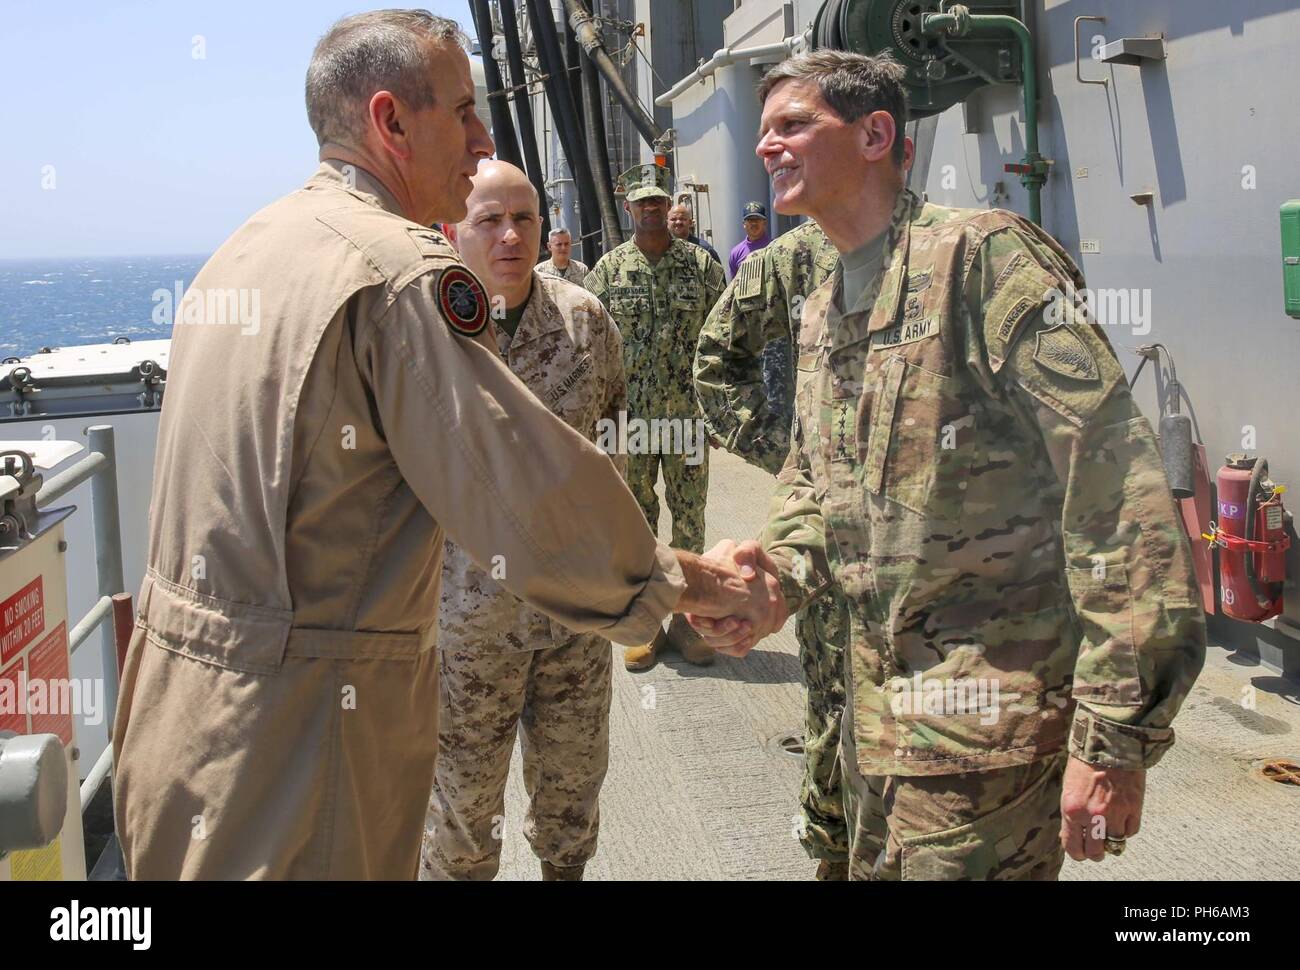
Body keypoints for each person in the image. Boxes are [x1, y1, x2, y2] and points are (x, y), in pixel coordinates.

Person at [111, 10, 783, 880]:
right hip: (299, 763)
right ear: (390, 122)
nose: (483, 137)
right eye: (462, 111)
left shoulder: (244, 251)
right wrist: (701, 585)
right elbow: (531, 505)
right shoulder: (398, 277)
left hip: (182, 729)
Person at [689, 49, 1206, 880]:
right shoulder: (824, 306)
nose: (766, 147)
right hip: (873, 738)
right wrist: (773, 574)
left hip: (985, 746)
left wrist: (1117, 736)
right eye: (762, 131)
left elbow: (1115, 490)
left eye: (792, 125)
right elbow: (823, 486)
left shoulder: (983, 262)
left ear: (875, 135)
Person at [421, 160, 627, 882]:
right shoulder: (423, 332)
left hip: (573, 624)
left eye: (526, 218)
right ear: (454, 229)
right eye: (490, 220)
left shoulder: (583, 321)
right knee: (462, 819)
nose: (511, 235)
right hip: (466, 632)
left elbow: (613, 446)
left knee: (572, 804)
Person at [693, 219, 848, 877]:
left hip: (938, 560)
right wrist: (789, 454)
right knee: (835, 701)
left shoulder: (958, 251)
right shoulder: (791, 258)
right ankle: (835, 851)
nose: (776, 145)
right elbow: (715, 361)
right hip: (823, 532)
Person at [586, 164, 727, 670]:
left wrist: (718, 414)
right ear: (628, 208)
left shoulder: (702, 267)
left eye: (657, 201)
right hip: (632, 422)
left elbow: (724, 342)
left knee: (689, 519)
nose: (650, 208)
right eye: (641, 202)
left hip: (687, 419)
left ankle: (686, 626)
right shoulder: (606, 271)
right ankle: (645, 626)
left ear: (669, 207)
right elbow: (593, 352)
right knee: (638, 524)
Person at [727, 201, 771, 279]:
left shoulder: (774, 247)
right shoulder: (736, 253)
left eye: (757, 219)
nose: (754, 223)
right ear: (744, 224)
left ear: (764, 222)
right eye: (750, 220)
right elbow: (734, 285)